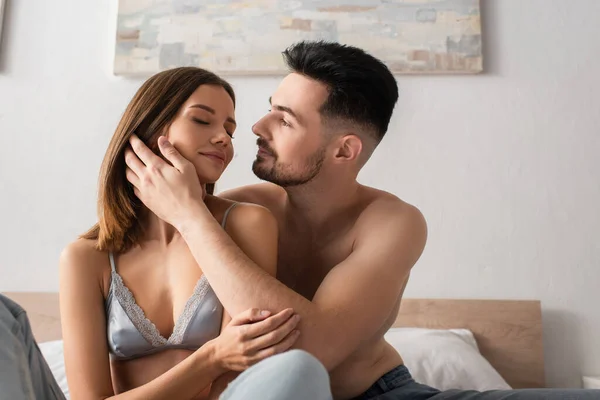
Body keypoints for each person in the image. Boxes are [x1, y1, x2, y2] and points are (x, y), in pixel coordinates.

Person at [125, 40, 600, 399]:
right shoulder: (241, 210)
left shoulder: (392, 223)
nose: (255, 127)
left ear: (344, 150)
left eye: (284, 120)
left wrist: (191, 216)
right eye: (270, 110)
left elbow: (309, 351)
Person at [0, 66, 324, 400]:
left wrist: (189, 213)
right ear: (150, 127)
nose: (223, 138)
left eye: (230, 129)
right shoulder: (87, 258)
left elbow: (240, 379)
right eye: (202, 120)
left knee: (300, 368)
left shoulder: (247, 223)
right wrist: (212, 357)